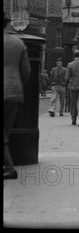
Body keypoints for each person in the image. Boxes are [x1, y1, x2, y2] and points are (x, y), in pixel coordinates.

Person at [4, 13, 31, 179]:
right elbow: (26, 71)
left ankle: (9, 167)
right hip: (14, 91)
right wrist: (18, 85)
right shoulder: (18, 42)